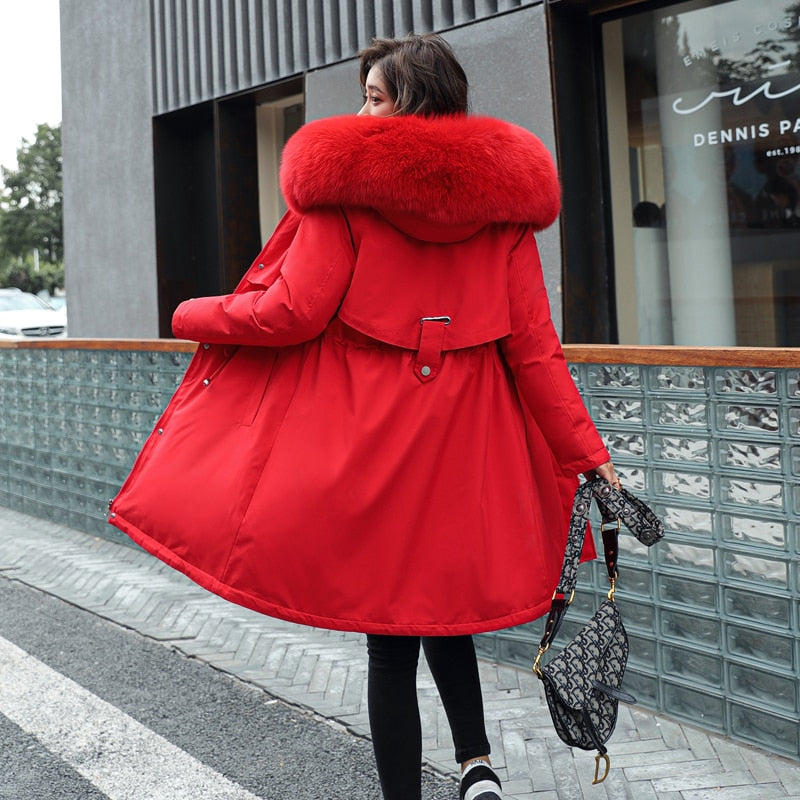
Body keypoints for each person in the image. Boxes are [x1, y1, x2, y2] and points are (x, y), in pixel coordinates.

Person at [109, 32, 619, 800]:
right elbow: (535, 350)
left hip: (375, 442)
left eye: (374, 96)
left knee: (391, 641)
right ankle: (478, 768)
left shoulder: (344, 194)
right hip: (465, 448)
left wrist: (192, 312)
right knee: (447, 613)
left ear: (412, 100)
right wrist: (588, 453)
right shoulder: (503, 212)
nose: (361, 110)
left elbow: (291, 313)